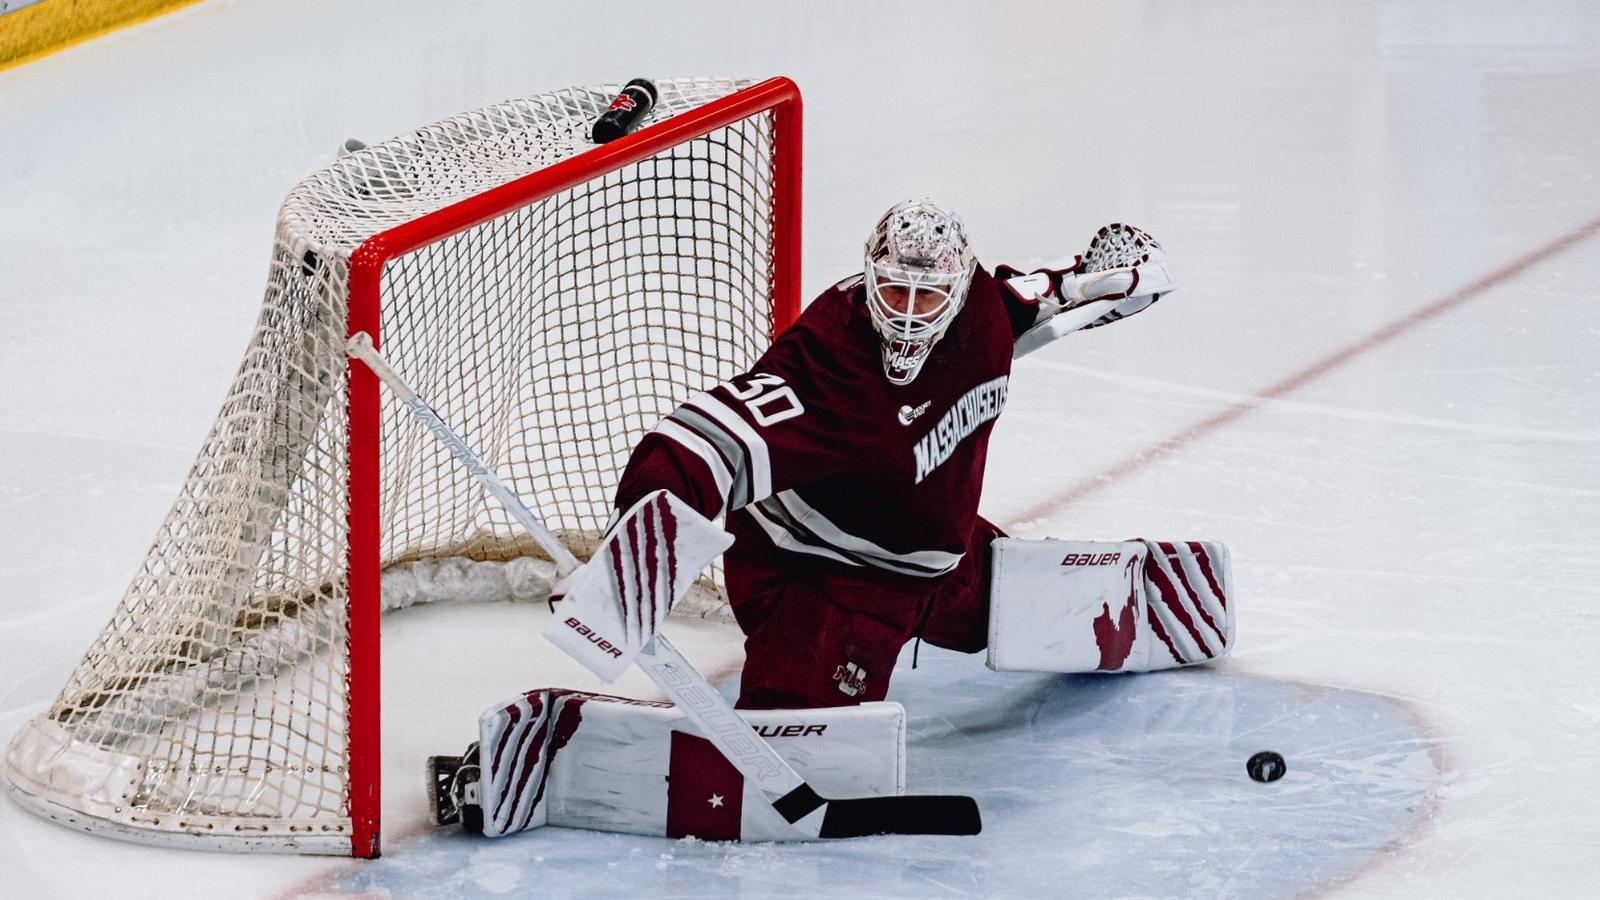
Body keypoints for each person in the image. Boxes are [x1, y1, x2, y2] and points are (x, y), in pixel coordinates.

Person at [608, 198, 1172, 709]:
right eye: (892, 288)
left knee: (989, 613)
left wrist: (1106, 284)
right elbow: (700, 440)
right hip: (823, 573)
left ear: (957, 291)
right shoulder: (830, 359)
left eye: (926, 294)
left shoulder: (983, 312)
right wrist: (631, 554)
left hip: (932, 560)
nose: (906, 310)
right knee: (799, 722)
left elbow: (1047, 294)